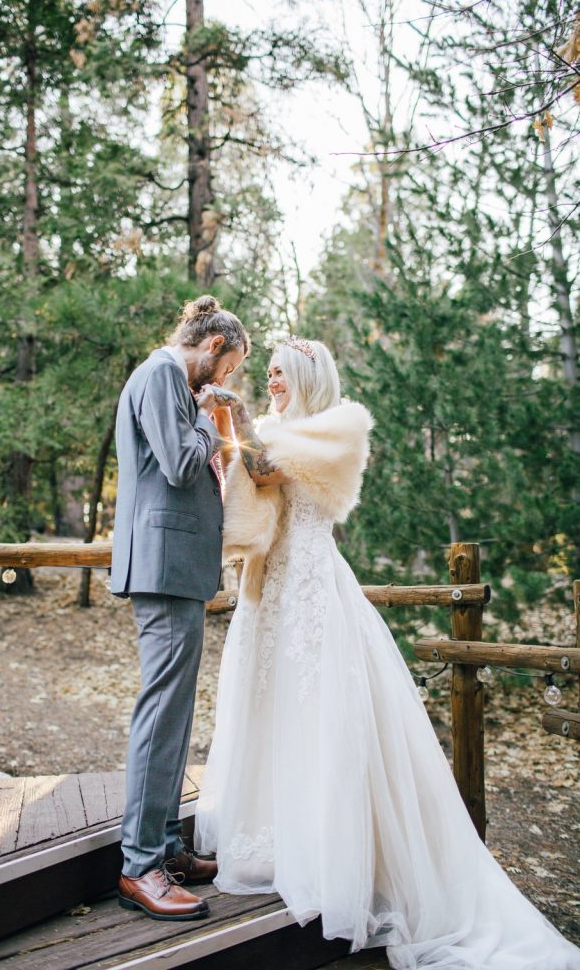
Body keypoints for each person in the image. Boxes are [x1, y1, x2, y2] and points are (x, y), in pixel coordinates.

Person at [195, 334, 580, 969]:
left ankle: (336, 855)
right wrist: (232, 435)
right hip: (270, 590)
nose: (272, 383)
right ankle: (273, 837)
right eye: (267, 374)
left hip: (315, 594)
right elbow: (250, 485)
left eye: (280, 374)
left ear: (308, 378)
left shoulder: (336, 432)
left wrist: (234, 422)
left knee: (320, 712)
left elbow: (266, 468)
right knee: (269, 709)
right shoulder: (270, 427)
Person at [110, 295, 248, 922]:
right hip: (162, 567)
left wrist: (202, 409)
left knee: (177, 711)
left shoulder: (173, 382)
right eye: (230, 371)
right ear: (213, 346)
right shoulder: (165, 374)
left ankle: (167, 845)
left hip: (177, 566)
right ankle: (140, 865)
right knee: (162, 711)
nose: (228, 384)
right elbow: (178, 463)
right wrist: (207, 414)